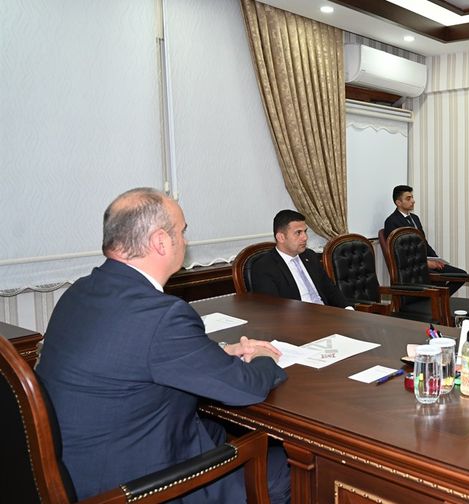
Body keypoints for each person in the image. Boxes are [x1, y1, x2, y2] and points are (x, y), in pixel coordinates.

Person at [36, 188, 290, 503]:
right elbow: (245, 388)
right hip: (134, 487)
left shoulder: (80, 293)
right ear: (160, 241)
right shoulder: (163, 315)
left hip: (77, 471)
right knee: (283, 469)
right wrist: (265, 357)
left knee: (218, 430)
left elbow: (135, 354)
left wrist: (219, 352)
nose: (185, 241)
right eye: (182, 232)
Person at [251, 209, 352, 308]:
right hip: (296, 321)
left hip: (326, 315)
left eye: (305, 231)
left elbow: (330, 289)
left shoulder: (309, 256)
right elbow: (273, 309)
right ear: (281, 237)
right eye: (298, 233)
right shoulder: (264, 267)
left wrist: (348, 309)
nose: (305, 237)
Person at [383, 185, 467, 295]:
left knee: (461, 275)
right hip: (412, 267)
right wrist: (426, 263)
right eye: (408, 198)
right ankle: (437, 302)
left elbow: (424, 243)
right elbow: (400, 253)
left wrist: (436, 259)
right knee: (439, 282)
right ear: (398, 202)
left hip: (425, 261)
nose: (413, 201)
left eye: (412, 197)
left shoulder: (415, 218)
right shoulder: (391, 221)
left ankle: (440, 300)